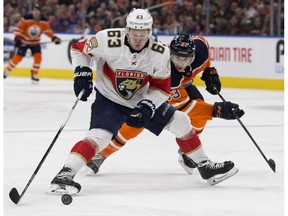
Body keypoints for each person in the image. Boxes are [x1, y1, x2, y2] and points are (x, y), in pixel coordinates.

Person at [48, 8, 242, 195]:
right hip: (110, 99)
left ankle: (204, 166)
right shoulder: (107, 39)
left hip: (142, 99)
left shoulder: (159, 52)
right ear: (127, 29)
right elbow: (78, 49)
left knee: (181, 122)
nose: (139, 37)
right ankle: (65, 174)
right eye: (135, 31)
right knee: (100, 136)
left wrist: (148, 104)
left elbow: (161, 88)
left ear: (150, 31)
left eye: (144, 32)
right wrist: (81, 71)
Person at [84, 33, 244, 176]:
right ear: (170, 54)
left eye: (186, 59)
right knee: (135, 125)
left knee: (199, 115)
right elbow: (186, 107)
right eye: (177, 58)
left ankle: (189, 153)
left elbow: (202, 43)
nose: (181, 63)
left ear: (193, 55)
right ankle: (101, 154)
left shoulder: (200, 50)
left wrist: (209, 71)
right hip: (153, 92)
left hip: (184, 85)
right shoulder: (168, 72)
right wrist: (218, 111)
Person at [3, 4, 61, 82]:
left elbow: (48, 31)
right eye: (35, 11)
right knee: (17, 58)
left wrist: (54, 38)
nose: (36, 12)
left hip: (35, 43)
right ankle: (7, 71)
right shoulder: (26, 19)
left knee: (38, 58)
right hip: (24, 42)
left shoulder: (43, 21)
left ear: (40, 12)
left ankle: (34, 74)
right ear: (33, 11)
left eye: (38, 11)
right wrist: (17, 38)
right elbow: (18, 29)